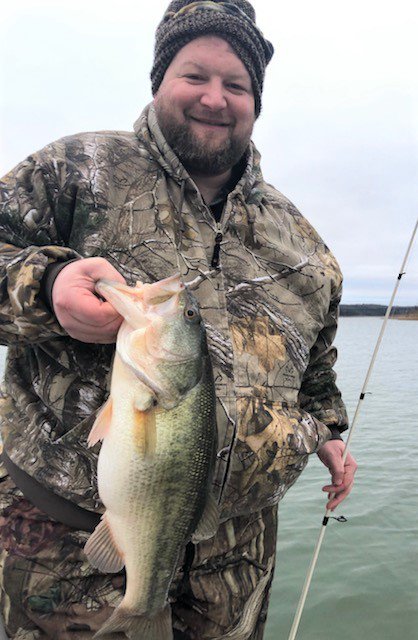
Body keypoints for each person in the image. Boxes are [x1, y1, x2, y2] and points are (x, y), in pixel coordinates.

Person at [0, 1, 357, 638]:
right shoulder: (75, 171)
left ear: (257, 99)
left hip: (239, 563)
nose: (215, 98)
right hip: (66, 553)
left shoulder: (303, 244)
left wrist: (327, 430)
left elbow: (318, 366)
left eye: (236, 84)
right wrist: (47, 285)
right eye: (195, 74)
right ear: (159, 78)